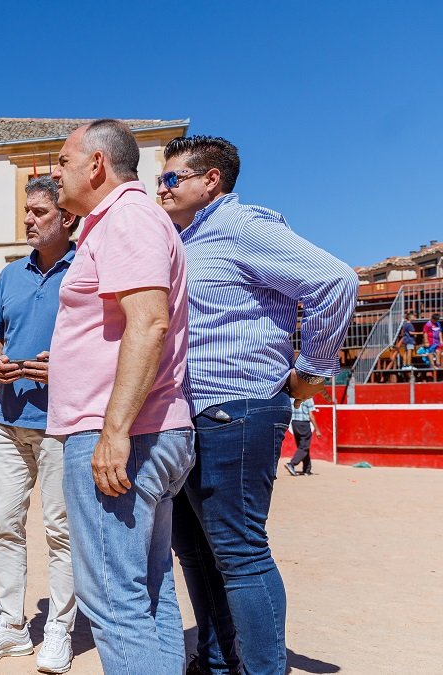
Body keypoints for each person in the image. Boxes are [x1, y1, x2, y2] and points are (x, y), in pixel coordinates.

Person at [158, 135, 357, 675]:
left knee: (240, 552)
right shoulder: (188, 238)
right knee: (196, 550)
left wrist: (313, 369)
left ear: (210, 180)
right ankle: (218, 661)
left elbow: (336, 280)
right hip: (190, 412)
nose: (161, 187)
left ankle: (264, 669)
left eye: (171, 177)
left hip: (238, 407)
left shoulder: (243, 227)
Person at [47, 119, 195, 674]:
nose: (54, 172)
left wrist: (112, 432)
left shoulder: (125, 219)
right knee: (147, 592)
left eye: (63, 160)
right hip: (147, 428)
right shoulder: (125, 221)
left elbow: (150, 323)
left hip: (124, 434)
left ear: (97, 165)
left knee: (113, 600)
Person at [0, 176, 79, 672]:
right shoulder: (9, 275)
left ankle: (58, 628)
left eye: (38, 212)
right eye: (26, 211)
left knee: (61, 530)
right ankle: (11, 624)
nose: (27, 219)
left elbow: (111, 342)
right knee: (4, 524)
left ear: (66, 218)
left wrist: (67, 365)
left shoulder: (87, 271)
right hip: (8, 420)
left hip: (62, 422)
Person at [287, 399, 321, 476]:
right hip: (304, 424)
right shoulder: (308, 398)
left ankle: (307, 469)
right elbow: (311, 415)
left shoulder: (293, 396)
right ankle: (292, 464)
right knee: (304, 446)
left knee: (302, 446)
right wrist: (317, 429)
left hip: (294, 423)